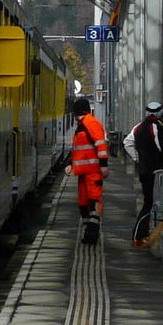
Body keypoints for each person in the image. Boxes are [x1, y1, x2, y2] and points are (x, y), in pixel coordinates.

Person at [65, 98, 109, 245]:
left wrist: (104, 165)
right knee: (84, 204)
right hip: (83, 172)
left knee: (94, 202)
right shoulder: (83, 124)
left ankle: (92, 235)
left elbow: (101, 145)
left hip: (93, 171)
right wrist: (71, 164)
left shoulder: (91, 124)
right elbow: (79, 150)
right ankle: (88, 232)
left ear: (76, 111)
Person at [122, 101, 163, 246]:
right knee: (151, 202)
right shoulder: (158, 128)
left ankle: (143, 233)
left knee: (149, 201)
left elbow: (127, 143)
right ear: (160, 112)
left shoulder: (138, 127)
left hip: (143, 170)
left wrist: (137, 158)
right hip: (156, 171)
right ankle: (138, 234)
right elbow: (162, 149)